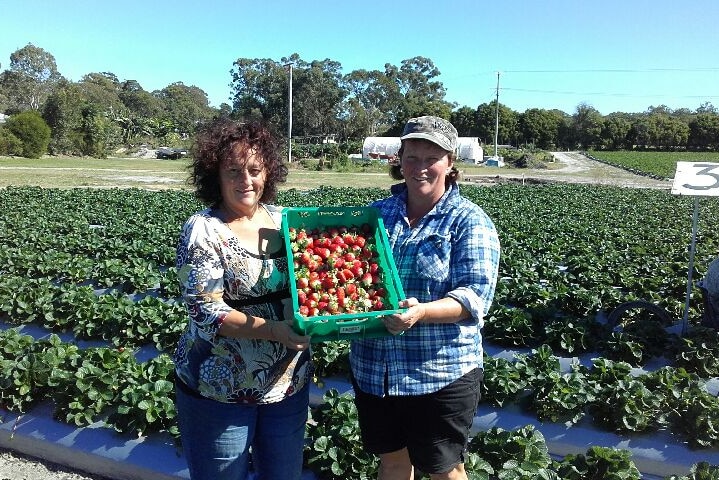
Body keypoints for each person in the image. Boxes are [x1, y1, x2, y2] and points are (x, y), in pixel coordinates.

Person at [350, 115, 501, 480]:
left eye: (431, 158)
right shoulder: (375, 215)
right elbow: (351, 277)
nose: (420, 167)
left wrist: (423, 312)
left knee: (444, 469)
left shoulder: (468, 220)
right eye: (412, 156)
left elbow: (474, 295)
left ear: (450, 164)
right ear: (399, 160)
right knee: (393, 463)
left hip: (439, 372)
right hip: (376, 369)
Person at [173, 119, 312, 480]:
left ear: (269, 173)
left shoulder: (287, 222)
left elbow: (313, 285)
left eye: (254, 170)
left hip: (287, 384)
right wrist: (275, 331)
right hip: (220, 388)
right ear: (215, 175)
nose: (245, 181)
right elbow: (204, 308)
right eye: (233, 171)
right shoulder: (204, 229)